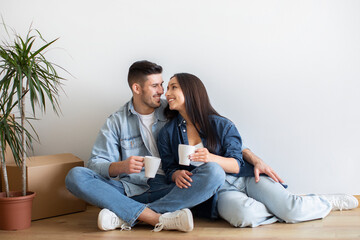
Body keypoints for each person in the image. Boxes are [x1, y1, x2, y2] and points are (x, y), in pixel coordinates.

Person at [157, 72, 359, 228]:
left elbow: (236, 164)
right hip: (220, 191)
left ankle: (323, 202)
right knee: (245, 217)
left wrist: (211, 158)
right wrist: (176, 174)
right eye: (167, 88)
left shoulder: (220, 125)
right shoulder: (167, 133)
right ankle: (285, 208)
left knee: (292, 210)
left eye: (173, 87)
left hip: (246, 178)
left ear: (191, 92)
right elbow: (169, 167)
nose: (167, 94)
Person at [65, 61, 226, 232]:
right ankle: (156, 218)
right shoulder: (116, 121)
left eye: (162, 85)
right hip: (129, 190)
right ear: (137, 88)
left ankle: (128, 216)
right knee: (76, 175)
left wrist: (248, 154)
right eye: (155, 86)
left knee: (215, 173)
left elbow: (216, 129)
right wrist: (121, 166)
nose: (162, 91)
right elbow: (95, 164)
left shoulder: (172, 109)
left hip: (170, 187)